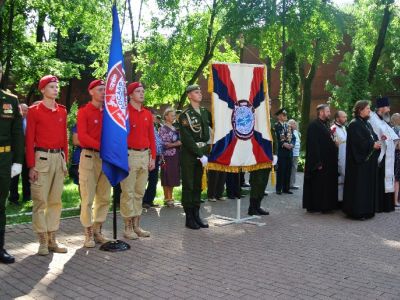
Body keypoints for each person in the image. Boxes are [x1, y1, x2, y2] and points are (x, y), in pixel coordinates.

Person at [25, 75, 68, 255]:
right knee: (40, 201)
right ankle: (42, 240)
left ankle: (52, 239)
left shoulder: (62, 111)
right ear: (42, 89)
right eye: (51, 87)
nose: (55, 89)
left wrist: (64, 161)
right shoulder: (34, 111)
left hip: (58, 158)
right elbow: (29, 141)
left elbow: (64, 139)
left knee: (55, 201)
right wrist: (31, 166)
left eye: (57, 87)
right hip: (41, 158)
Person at [77, 79, 111, 248]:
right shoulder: (84, 111)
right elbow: (82, 136)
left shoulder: (109, 113)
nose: (103, 92)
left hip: (106, 159)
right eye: (99, 89)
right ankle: (88, 233)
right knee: (88, 198)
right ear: (91, 92)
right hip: (90, 158)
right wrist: (103, 147)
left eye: (105, 89)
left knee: (104, 197)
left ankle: (98, 230)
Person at [120, 82, 155, 239]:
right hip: (129, 155)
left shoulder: (147, 114)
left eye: (143, 91)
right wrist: (122, 158)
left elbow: (151, 137)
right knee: (128, 192)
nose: (142, 93)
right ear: (130, 95)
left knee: (140, 192)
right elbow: (120, 137)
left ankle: (137, 225)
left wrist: (152, 156)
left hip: (144, 155)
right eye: (138, 91)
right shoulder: (124, 112)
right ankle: (127, 227)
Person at [0, 63, 24, 264]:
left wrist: (17, 161)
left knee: (0, 206)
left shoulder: (10, 100)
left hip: (3, 159)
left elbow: (18, 133)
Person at [179, 84, 211, 229]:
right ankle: (189, 218)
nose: (200, 94)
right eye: (196, 92)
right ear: (189, 95)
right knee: (189, 186)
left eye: (200, 92)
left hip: (203, 152)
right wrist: (199, 154)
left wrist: (205, 152)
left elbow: (210, 130)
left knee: (198, 186)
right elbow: (187, 138)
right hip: (190, 155)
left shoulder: (205, 112)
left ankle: (197, 216)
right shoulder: (185, 115)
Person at [343, 100, 381, 220]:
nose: (369, 110)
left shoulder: (366, 123)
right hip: (358, 164)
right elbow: (358, 143)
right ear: (360, 110)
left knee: (367, 187)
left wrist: (377, 142)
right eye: (367, 108)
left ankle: (367, 210)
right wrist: (372, 145)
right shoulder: (354, 124)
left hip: (368, 163)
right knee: (359, 188)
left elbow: (373, 136)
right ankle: (357, 212)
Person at [302, 104, 338, 213]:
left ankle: (325, 205)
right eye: (327, 111)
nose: (329, 113)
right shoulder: (314, 125)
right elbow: (313, 145)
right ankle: (316, 206)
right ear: (321, 112)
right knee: (318, 185)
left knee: (325, 185)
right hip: (320, 161)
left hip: (328, 161)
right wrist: (317, 162)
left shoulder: (326, 125)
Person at [368, 97, 397, 213]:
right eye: (388, 107)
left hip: (387, 154)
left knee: (387, 178)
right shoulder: (373, 119)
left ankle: (387, 205)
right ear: (381, 108)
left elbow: (391, 134)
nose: (389, 109)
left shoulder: (383, 120)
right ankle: (379, 205)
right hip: (379, 154)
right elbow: (377, 136)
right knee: (380, 181)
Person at [8, 103, 30, 205]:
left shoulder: (30, 122)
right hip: (15, 153)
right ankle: (13, 198)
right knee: (14, 176)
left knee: (26, 176)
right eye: (22, 110)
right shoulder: (13, 122)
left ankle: (27, 197)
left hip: (27, 153)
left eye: (26, 110)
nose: (24, 112)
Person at [159, 107, 181, 207]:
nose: (174, 117)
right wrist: (176, 144)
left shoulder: (174, 128)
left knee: (173, 176)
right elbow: (164, 144)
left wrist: (177, 143)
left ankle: (171, 197)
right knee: (166, 176)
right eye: (172, 115)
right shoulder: (163, 129)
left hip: (175, 155)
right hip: (167, 156)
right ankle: (167, 198)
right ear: (166, 116)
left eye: (174, 115)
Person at [142, 109, 164, 208]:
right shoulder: (145, 126)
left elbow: (158, 142)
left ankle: (149, 200)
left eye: (155, 116)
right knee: (145, 179)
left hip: (157, 156)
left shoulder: (154, 127)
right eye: (153, 115)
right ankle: (143, 200)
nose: (155, 117)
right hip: (148, 156)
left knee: (154, 180)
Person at [274, 109, 295, 195]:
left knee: (288, 170)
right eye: (283, 115)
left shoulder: (288, 126)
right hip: (281, 151)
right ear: (279, 116)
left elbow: (293, 138)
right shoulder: (276, 126)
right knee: (281, 170)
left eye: (286, 115)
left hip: (289, 152)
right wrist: (284, 144)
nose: (285, 116)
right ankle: (279, 188)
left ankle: (286, 188)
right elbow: (277, 138)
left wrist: (292, 144)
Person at [330, 111, 347, 204]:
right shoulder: (333, 128)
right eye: (343, 117)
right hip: (338, 155)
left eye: (345, 117)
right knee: (339, 177)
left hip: (345, 154)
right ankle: (336, 200)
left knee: (344, 177)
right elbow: (333, 143)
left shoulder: (344, 127)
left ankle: (341, 199)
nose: (345, 118)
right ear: (337, 118)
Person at [288, 119, 300, 190]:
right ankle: (288, 184)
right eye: (293, 124)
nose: (295, 125)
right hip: (292, 153)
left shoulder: (296, 132)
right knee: (290, 169)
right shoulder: (289, 131)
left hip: (296, 153)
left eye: (295, 124)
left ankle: (292, 184)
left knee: (294, 169)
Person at [391, 113, 400, 207]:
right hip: (398, 156)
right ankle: (395, 201)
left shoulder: (392, 129)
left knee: (395, 178)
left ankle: (394, 200)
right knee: (397, 179)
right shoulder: (398, 130)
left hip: (393, 156)